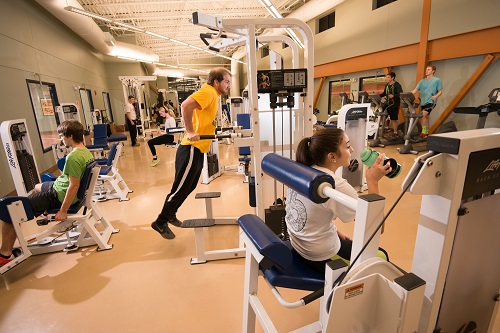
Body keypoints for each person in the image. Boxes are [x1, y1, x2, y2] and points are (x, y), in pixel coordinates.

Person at [284, 128, 390, 274]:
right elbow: (377, 229)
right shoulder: (335, 185)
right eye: (347, 146)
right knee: (381, 257)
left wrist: (335, 230)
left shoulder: (303, 171)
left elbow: (311, 213)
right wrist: (373, 181)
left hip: (301, 245)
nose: (352, 149)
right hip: (320, 256)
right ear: (332, 156)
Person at [151, 67, 231, 239]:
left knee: (189, 185)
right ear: (216, 82)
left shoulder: (213, 95)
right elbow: (185, 105)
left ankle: (170, 214)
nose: (229, 85)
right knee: (180, 186)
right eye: (227, 81)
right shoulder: (208, 91)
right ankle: (160, 221)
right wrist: (190, 131)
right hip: (190, 148)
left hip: (198, 148)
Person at [0, 120, 94, 266]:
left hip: (57, 195)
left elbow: (74, 186)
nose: (61, 139)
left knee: (10, 211)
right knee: (38, 186)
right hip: (58, 187)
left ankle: (5, 254)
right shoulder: (85, 152)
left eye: (62, 136)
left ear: (69, 136)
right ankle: (40, 206)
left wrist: (63, 211)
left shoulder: (73, 157)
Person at [411, 65, 443, 138]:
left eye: (428, 69)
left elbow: (440, 91)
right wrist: (407, 94)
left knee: (423, 115)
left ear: (433, 71)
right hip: (423, 102)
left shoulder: (437, 80)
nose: (426, 71)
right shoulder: (422, 81)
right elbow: (414, 90)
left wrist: (435, 96)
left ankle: (423, 132)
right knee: (426, 117)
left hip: (431, 102)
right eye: (426, 69)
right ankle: (426, 132)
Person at [379, 71, 403, 137]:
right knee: (381, 115)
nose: (386, 78)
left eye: (388, 77)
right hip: (387, 103)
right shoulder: (387, 85)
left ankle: (395, 133)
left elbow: (400, 93)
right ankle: (386, 128)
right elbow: (384, 93)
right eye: (386, 77)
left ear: (392, 78)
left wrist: (394, 95)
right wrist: (377, 96)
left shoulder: (397, 85)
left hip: (394, 104)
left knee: (393, 119)